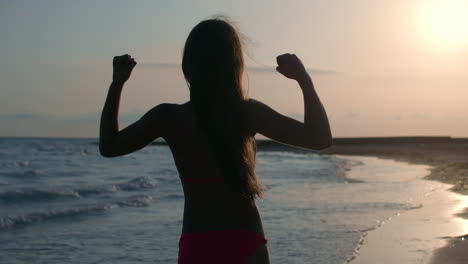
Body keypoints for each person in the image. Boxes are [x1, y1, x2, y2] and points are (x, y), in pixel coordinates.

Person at [100, 18, 332, 264]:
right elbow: (319, 138)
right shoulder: (247, 113)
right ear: (235, 64)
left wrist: (117, 83)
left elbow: (109, 146)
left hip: (197, 245)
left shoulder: (169, 117)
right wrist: (303, 79)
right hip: (246, 241)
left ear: (188, 65)